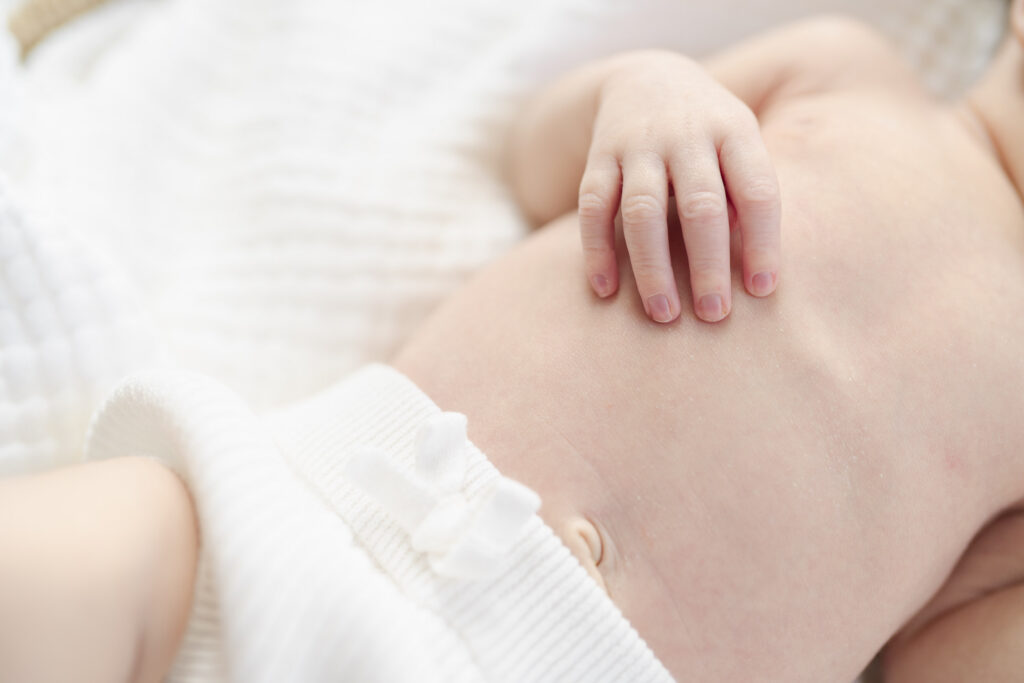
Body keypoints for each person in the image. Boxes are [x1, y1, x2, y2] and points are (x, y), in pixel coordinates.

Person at [3, 4, 1024, 682]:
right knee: (104, 550)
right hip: (339, 500)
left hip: (574, 663)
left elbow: (931, 657)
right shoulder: (851, 75)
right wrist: (647, 96)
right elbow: (542, 160)